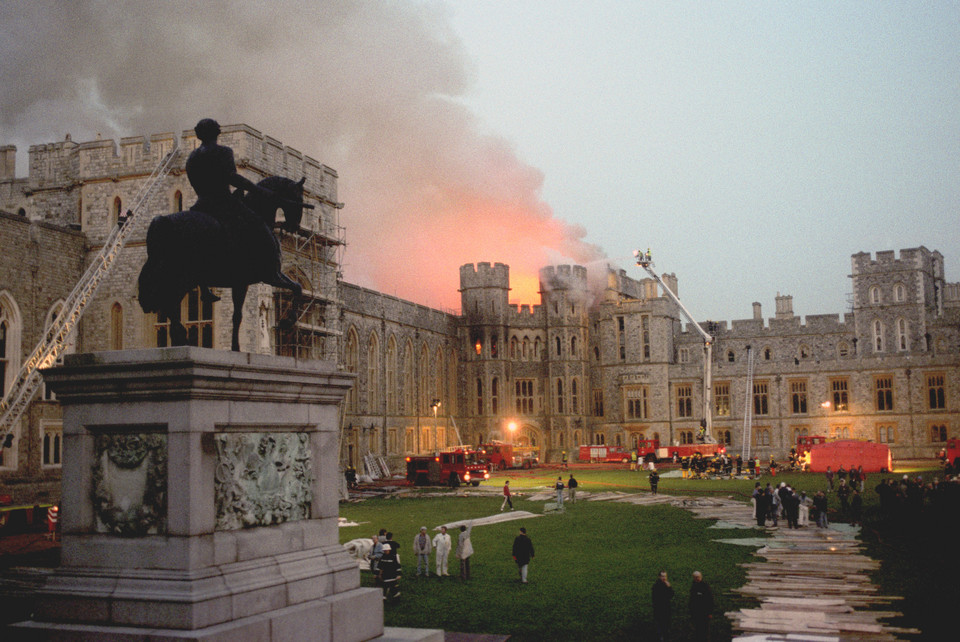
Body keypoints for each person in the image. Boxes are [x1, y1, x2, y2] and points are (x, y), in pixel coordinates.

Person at [689, 571, 714, 642]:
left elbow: (710, 600)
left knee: (705, 631)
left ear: (701, 577)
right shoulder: (693, 586)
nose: (697, 578)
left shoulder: (705, 586)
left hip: (704, 613)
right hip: (696, 613)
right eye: (695, 577)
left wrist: (710, 612)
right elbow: (692, 600)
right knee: (697, 630)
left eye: (698, 577)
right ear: (693, 578)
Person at [651, 570, 674, 642]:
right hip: (660, 610)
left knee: (666, 625)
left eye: (665, 576)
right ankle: (661, 638)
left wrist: (669, 587)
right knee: (661, 626)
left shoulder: (666, 585)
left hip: (666, 609)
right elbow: (656, 599)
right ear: (659, 577)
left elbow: (671, 595)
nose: (664, 578)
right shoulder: (656, 586)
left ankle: (666, 637)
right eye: (663, 576)